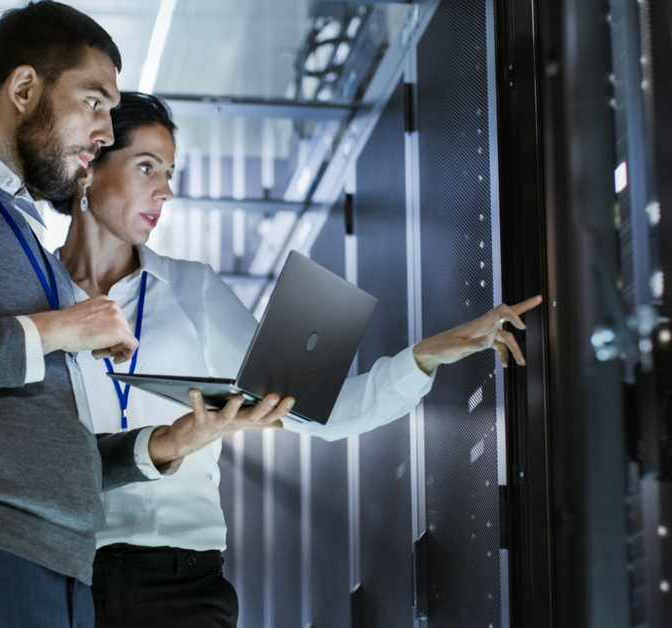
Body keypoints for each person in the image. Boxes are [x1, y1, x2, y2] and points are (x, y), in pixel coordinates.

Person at [0, 5, 290, 627]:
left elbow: (55, 453)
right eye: (95, 102)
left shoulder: (29, 246)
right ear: (24, 89)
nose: (105, 131)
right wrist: (59, 328)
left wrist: (170, 443)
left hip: (67, 574)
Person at [55, 92, 543, 628]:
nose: (166, 190)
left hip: (182, 583)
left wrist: (425, 357)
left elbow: (316, 412)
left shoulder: (190, 288)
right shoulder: (34, 299)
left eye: (169, 172)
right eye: (147, 166)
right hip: (63, 577)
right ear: (88, 166)